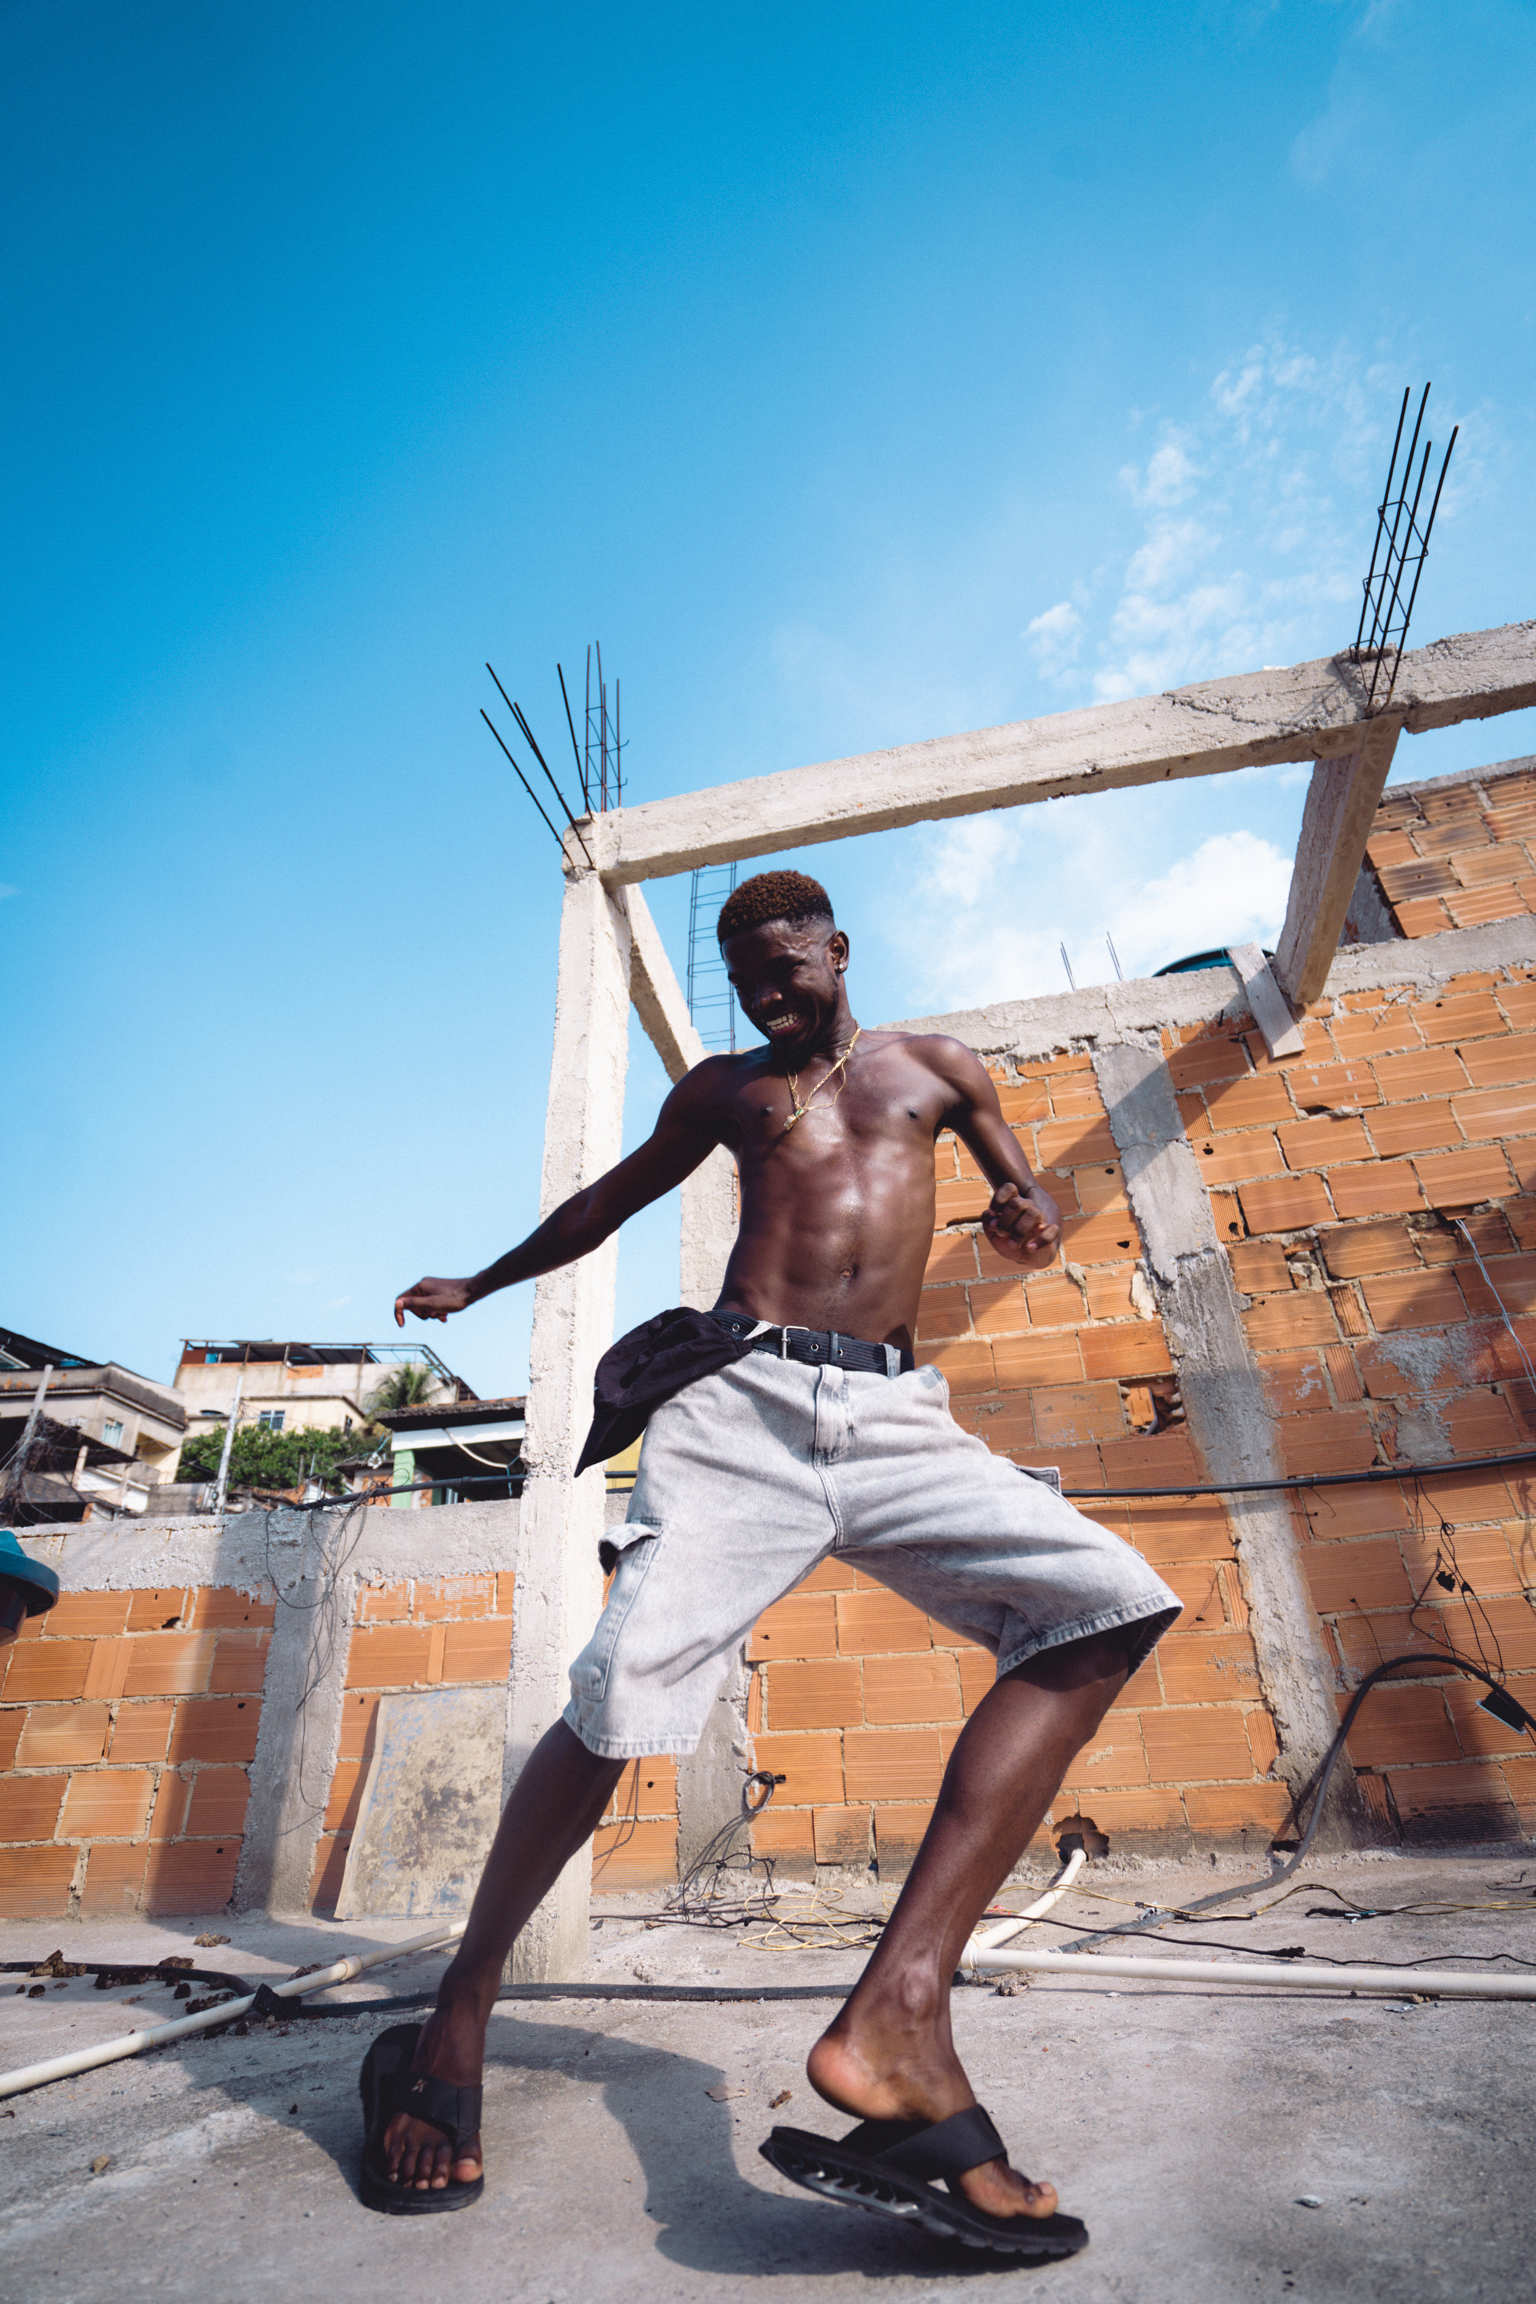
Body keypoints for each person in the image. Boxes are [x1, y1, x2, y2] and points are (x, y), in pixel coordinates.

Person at [363, 869, 1179, 2254]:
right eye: (744, 978)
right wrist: (482, 1283)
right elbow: (606, 1204)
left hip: (895, 1414)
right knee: (617, 1702)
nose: (765, 992)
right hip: (743, 1401)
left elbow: (1027, 1196)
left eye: (783, 965)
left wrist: (1026, 1218)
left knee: (1102, 1607)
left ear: (837, 948)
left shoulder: (940, 1068)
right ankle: (459, 2012)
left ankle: (898, 2012)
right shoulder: (730, 1095)